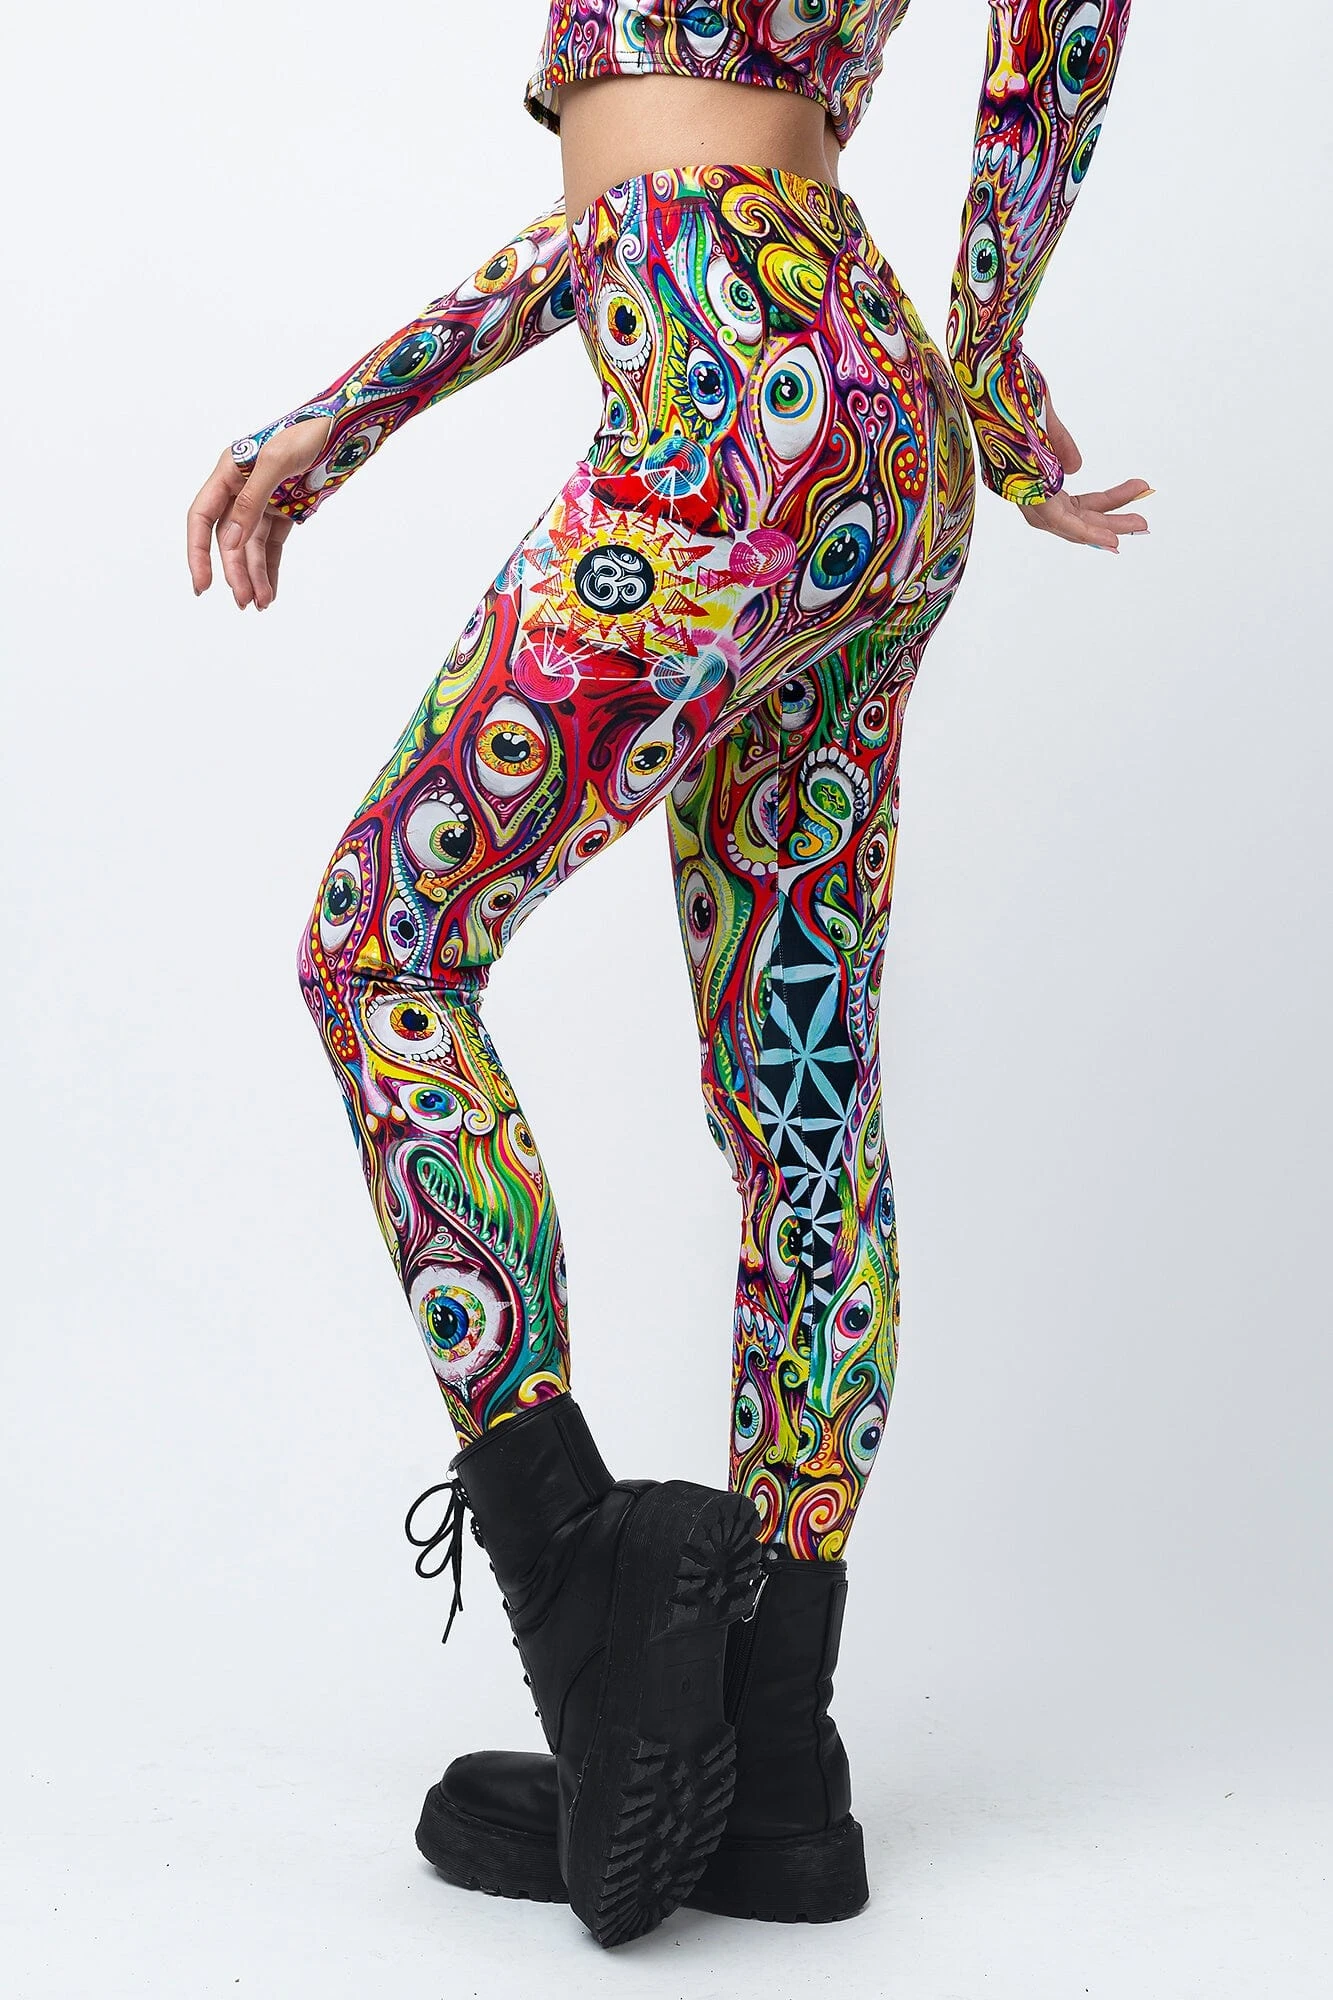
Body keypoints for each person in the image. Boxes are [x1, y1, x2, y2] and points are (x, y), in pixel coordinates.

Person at [187, 0, 1148, 1950]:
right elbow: (635, 201)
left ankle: (589, 1604)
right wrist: (346, 413)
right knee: (803, 1104)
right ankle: (768, 1751)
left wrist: (1003, 345)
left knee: (381, 950)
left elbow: (677, 181)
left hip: (732, 405)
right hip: (864, 424)